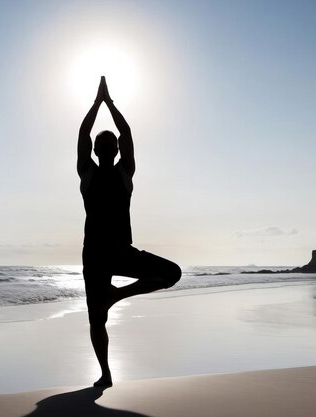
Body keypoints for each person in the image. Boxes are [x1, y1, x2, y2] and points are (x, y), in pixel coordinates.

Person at [77, 76, 182, 387]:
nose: (108, 143)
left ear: (116, 149)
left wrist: (109, 103)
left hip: (121, 252)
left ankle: (116, 295)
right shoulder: (88, 173)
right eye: (103, 142)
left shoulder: (125, 172)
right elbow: (83, 133)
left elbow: (127, 133)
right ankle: (106, 373)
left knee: (171, 273)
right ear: (97, 150)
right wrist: (98, 104)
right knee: (97, 318)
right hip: (95, 256)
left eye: (111, 142)